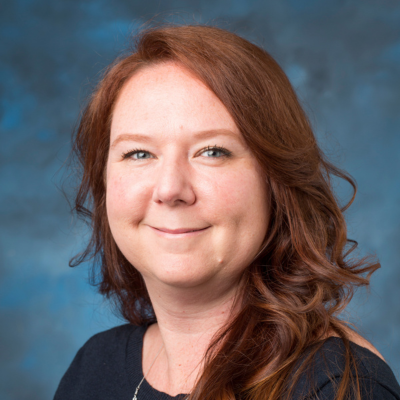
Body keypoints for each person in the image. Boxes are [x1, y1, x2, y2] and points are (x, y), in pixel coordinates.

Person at [54, 25, 400, 400]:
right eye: (139, 153)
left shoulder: (337, 386)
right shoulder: (94, 367)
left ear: (276, 181)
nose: (170, 189)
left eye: (213, 151)